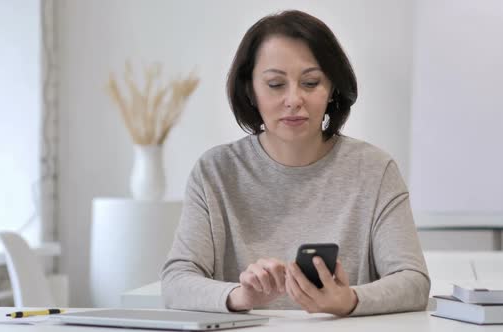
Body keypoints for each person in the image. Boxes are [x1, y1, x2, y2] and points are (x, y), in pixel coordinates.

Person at [161, 9, 430, 316]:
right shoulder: (216, 172)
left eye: (311, 83)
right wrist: (239, 296)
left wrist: (349, 300)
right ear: (250, 90)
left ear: (331, 90)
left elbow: (414, 282)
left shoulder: (374, 170)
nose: (293, 99)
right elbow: (176, 281)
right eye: (276, 84)